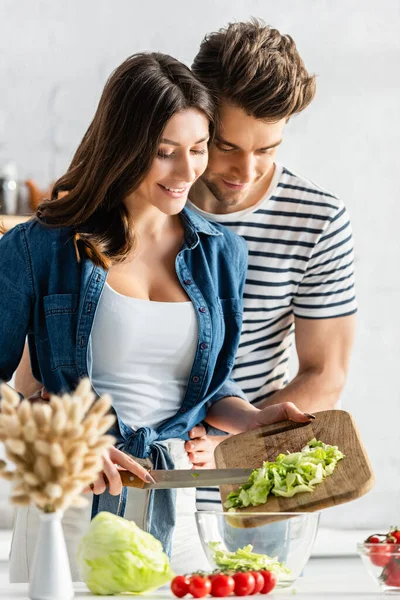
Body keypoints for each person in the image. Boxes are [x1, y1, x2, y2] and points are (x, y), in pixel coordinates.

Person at [0, 51, 311, 580]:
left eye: (197, 148)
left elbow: (207, 389)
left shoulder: (221, 255)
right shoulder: (40, 248)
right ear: (123, 147)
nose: (188, 170)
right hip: (73, 506)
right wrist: (62, 440)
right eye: (166, 152)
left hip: (179, 509)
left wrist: (253, 418)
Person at [182, 20, 357, 512]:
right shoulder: (145, 202)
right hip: (131, 479)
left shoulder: (317, 218)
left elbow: (326, 373)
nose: (246, 171)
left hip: (248, 486)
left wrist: (233, 441)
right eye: (228, 147)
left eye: (267, 149)